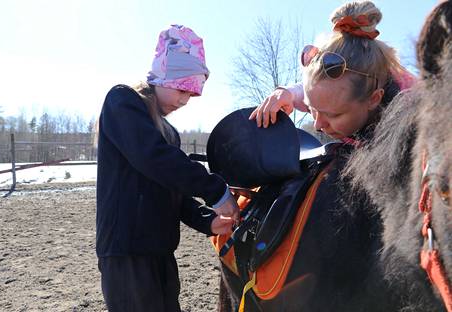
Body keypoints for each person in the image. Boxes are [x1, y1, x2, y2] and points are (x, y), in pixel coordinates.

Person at [244, 1, 417, 310]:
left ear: (375, 100)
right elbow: (322, 91)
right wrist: (291, 94)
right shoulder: (344, 84)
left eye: (332, 115)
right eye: (313, 110)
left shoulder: (410, 107)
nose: (319, 124)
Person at [96, 24, 239, 312]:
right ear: (162, 75)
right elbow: (154, 159)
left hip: (160, 251)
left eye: (192, 94)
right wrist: (215, 190)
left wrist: (206, 221)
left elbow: (171, 188)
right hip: (127, 253)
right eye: (181, 89)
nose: (185, 100)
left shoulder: (168, 131)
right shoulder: (122, 102)